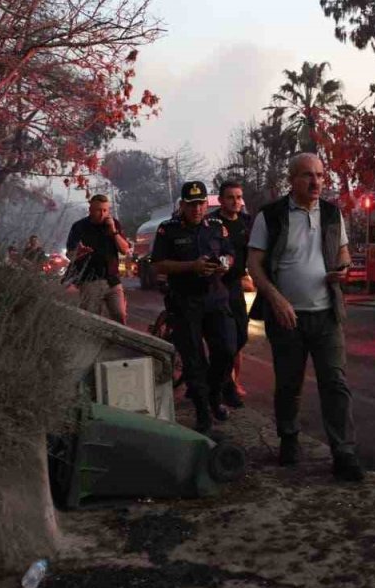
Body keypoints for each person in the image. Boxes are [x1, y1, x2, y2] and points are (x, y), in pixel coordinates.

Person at [247, 153, 363, 482]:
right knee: (288, 383)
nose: (316, 182)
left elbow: (342, 251)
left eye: (321, 176)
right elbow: (254, 264)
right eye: (308, 176)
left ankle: (344, 452)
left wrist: (342, 268)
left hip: (327, 314)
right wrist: (276, 299)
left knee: (335, 383)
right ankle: (288, 438)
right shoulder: (270, 217)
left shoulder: (331, 214)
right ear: (292, 180)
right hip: (287, 317)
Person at [151, 181, 237, 434]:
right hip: (185, 302)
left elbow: (229, 254)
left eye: (201, 204)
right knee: (193, 359)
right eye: (191, 204)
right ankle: (203, 411)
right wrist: (191, 266)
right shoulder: (168, 230)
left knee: (227, 350)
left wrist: (224, 264)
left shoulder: (217, 227)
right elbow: (158, 264)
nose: (197, 209)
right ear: (183, 205)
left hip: (215, 298)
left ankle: (214, 395)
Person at [208, 181, 252, 409]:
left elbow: (254, 253)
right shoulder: (212, 223)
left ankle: (219, 380)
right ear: (222, 200)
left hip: (235, 284)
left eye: (238, 197)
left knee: (241, 336)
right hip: (215, 285)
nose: (235, 202)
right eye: (230, 197)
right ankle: (226, 386)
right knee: (225, 341)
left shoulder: (247, 222)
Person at [65, 194, 130, 324]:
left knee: (120, 315)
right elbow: (69, 254)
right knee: (92, 320)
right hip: (90, 280)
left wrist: (114, 231)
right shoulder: (79, 226)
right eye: (98, 210)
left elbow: (125, 249)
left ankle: (117, 344)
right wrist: (79, 252)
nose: (102, 214)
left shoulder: (114, 223)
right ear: (90, 210)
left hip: (112, 280)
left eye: (105, 210)